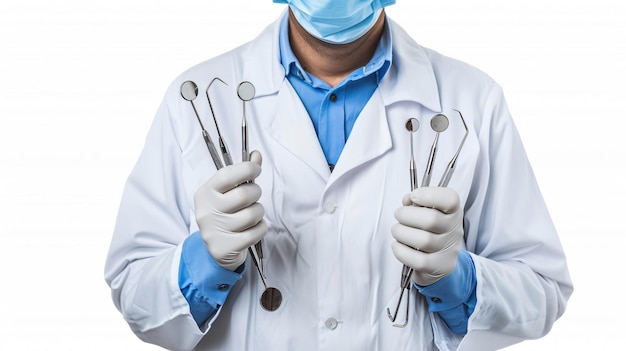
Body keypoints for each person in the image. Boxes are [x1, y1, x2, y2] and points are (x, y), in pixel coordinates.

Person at [104, 1, 573, 350]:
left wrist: (457, 277)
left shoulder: (473, 100)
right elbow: (133, 289)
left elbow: (543, 289)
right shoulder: (201, 98)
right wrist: (203, 261)